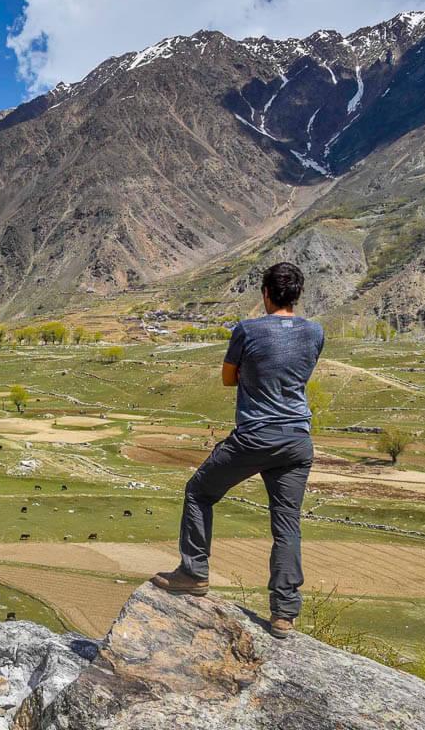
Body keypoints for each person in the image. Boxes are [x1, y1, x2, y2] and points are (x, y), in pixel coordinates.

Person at [152, 262, 324, 639]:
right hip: (297, 439)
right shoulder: (315, 332)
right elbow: (298, 372)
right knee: (287, 524)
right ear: (297, 295)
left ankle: (193, 572)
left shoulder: (247, 330)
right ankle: (284, 614)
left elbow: (228, 378)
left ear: (265, 294)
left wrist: (252, 374)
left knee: (200, 491)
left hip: (255, 436)